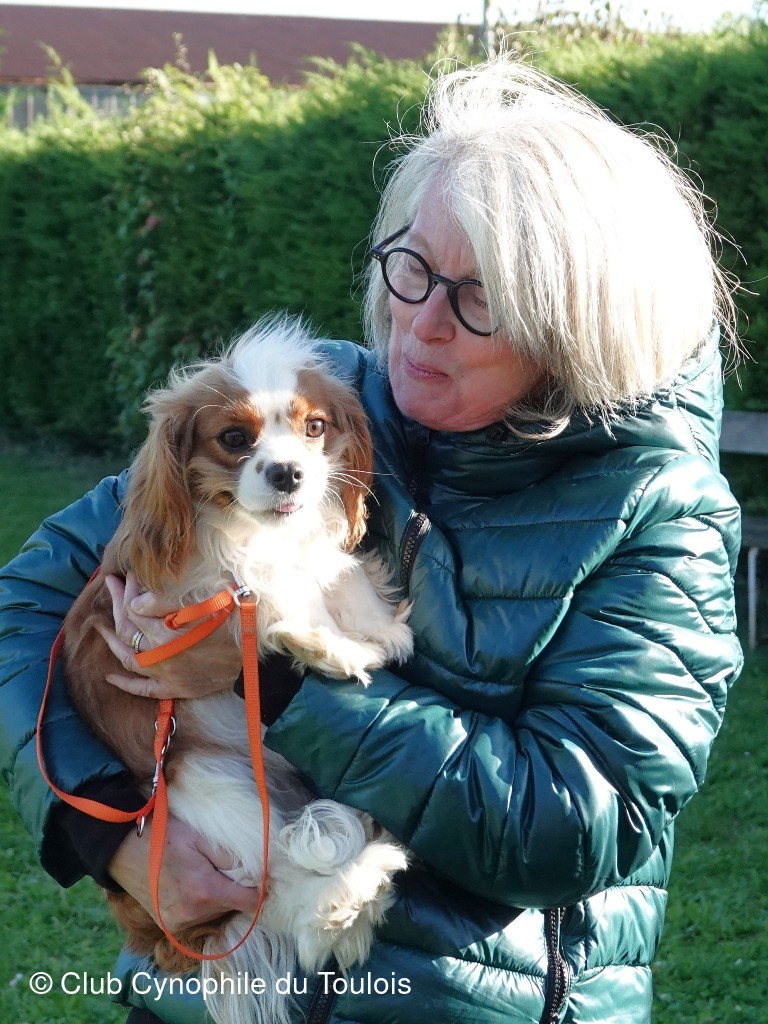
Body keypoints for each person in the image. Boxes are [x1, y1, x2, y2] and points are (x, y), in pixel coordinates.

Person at [0, 54, 743, 1024]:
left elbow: (573, 823)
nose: (420, 322)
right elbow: (23, 607)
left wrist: (276, 682)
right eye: (413, 266)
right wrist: (117, 833)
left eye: (481, 296)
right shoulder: (314, 402)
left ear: (577, 325)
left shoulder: (661, 512)